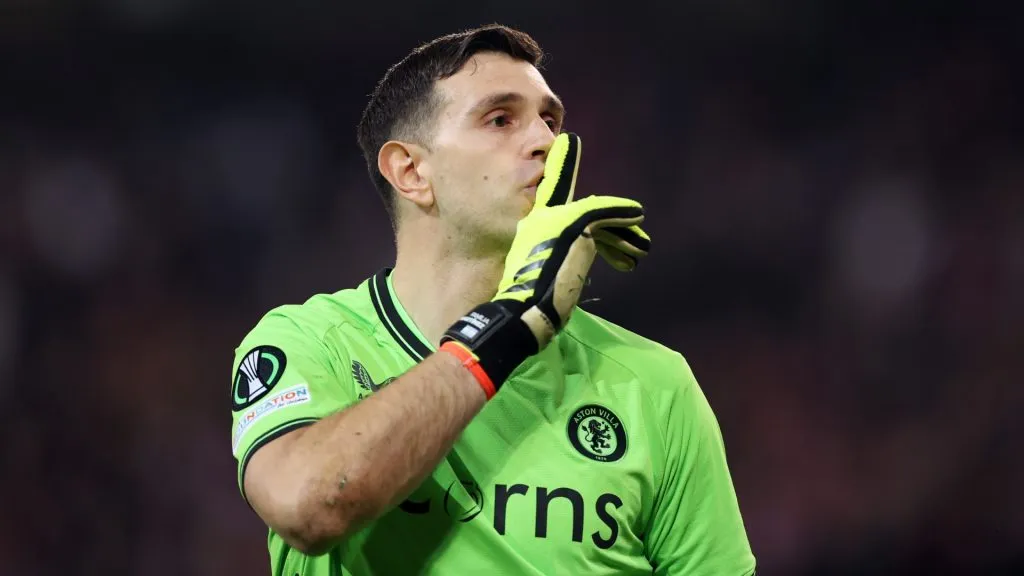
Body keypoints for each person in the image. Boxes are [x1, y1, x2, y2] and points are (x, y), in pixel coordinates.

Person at [228, 23, 756, 575]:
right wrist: (507, 326)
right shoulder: (308, 343)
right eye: (500, 119)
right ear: (411, 171)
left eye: (551, 121)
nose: (547, 144)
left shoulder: (653, 383)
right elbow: (310, 507)